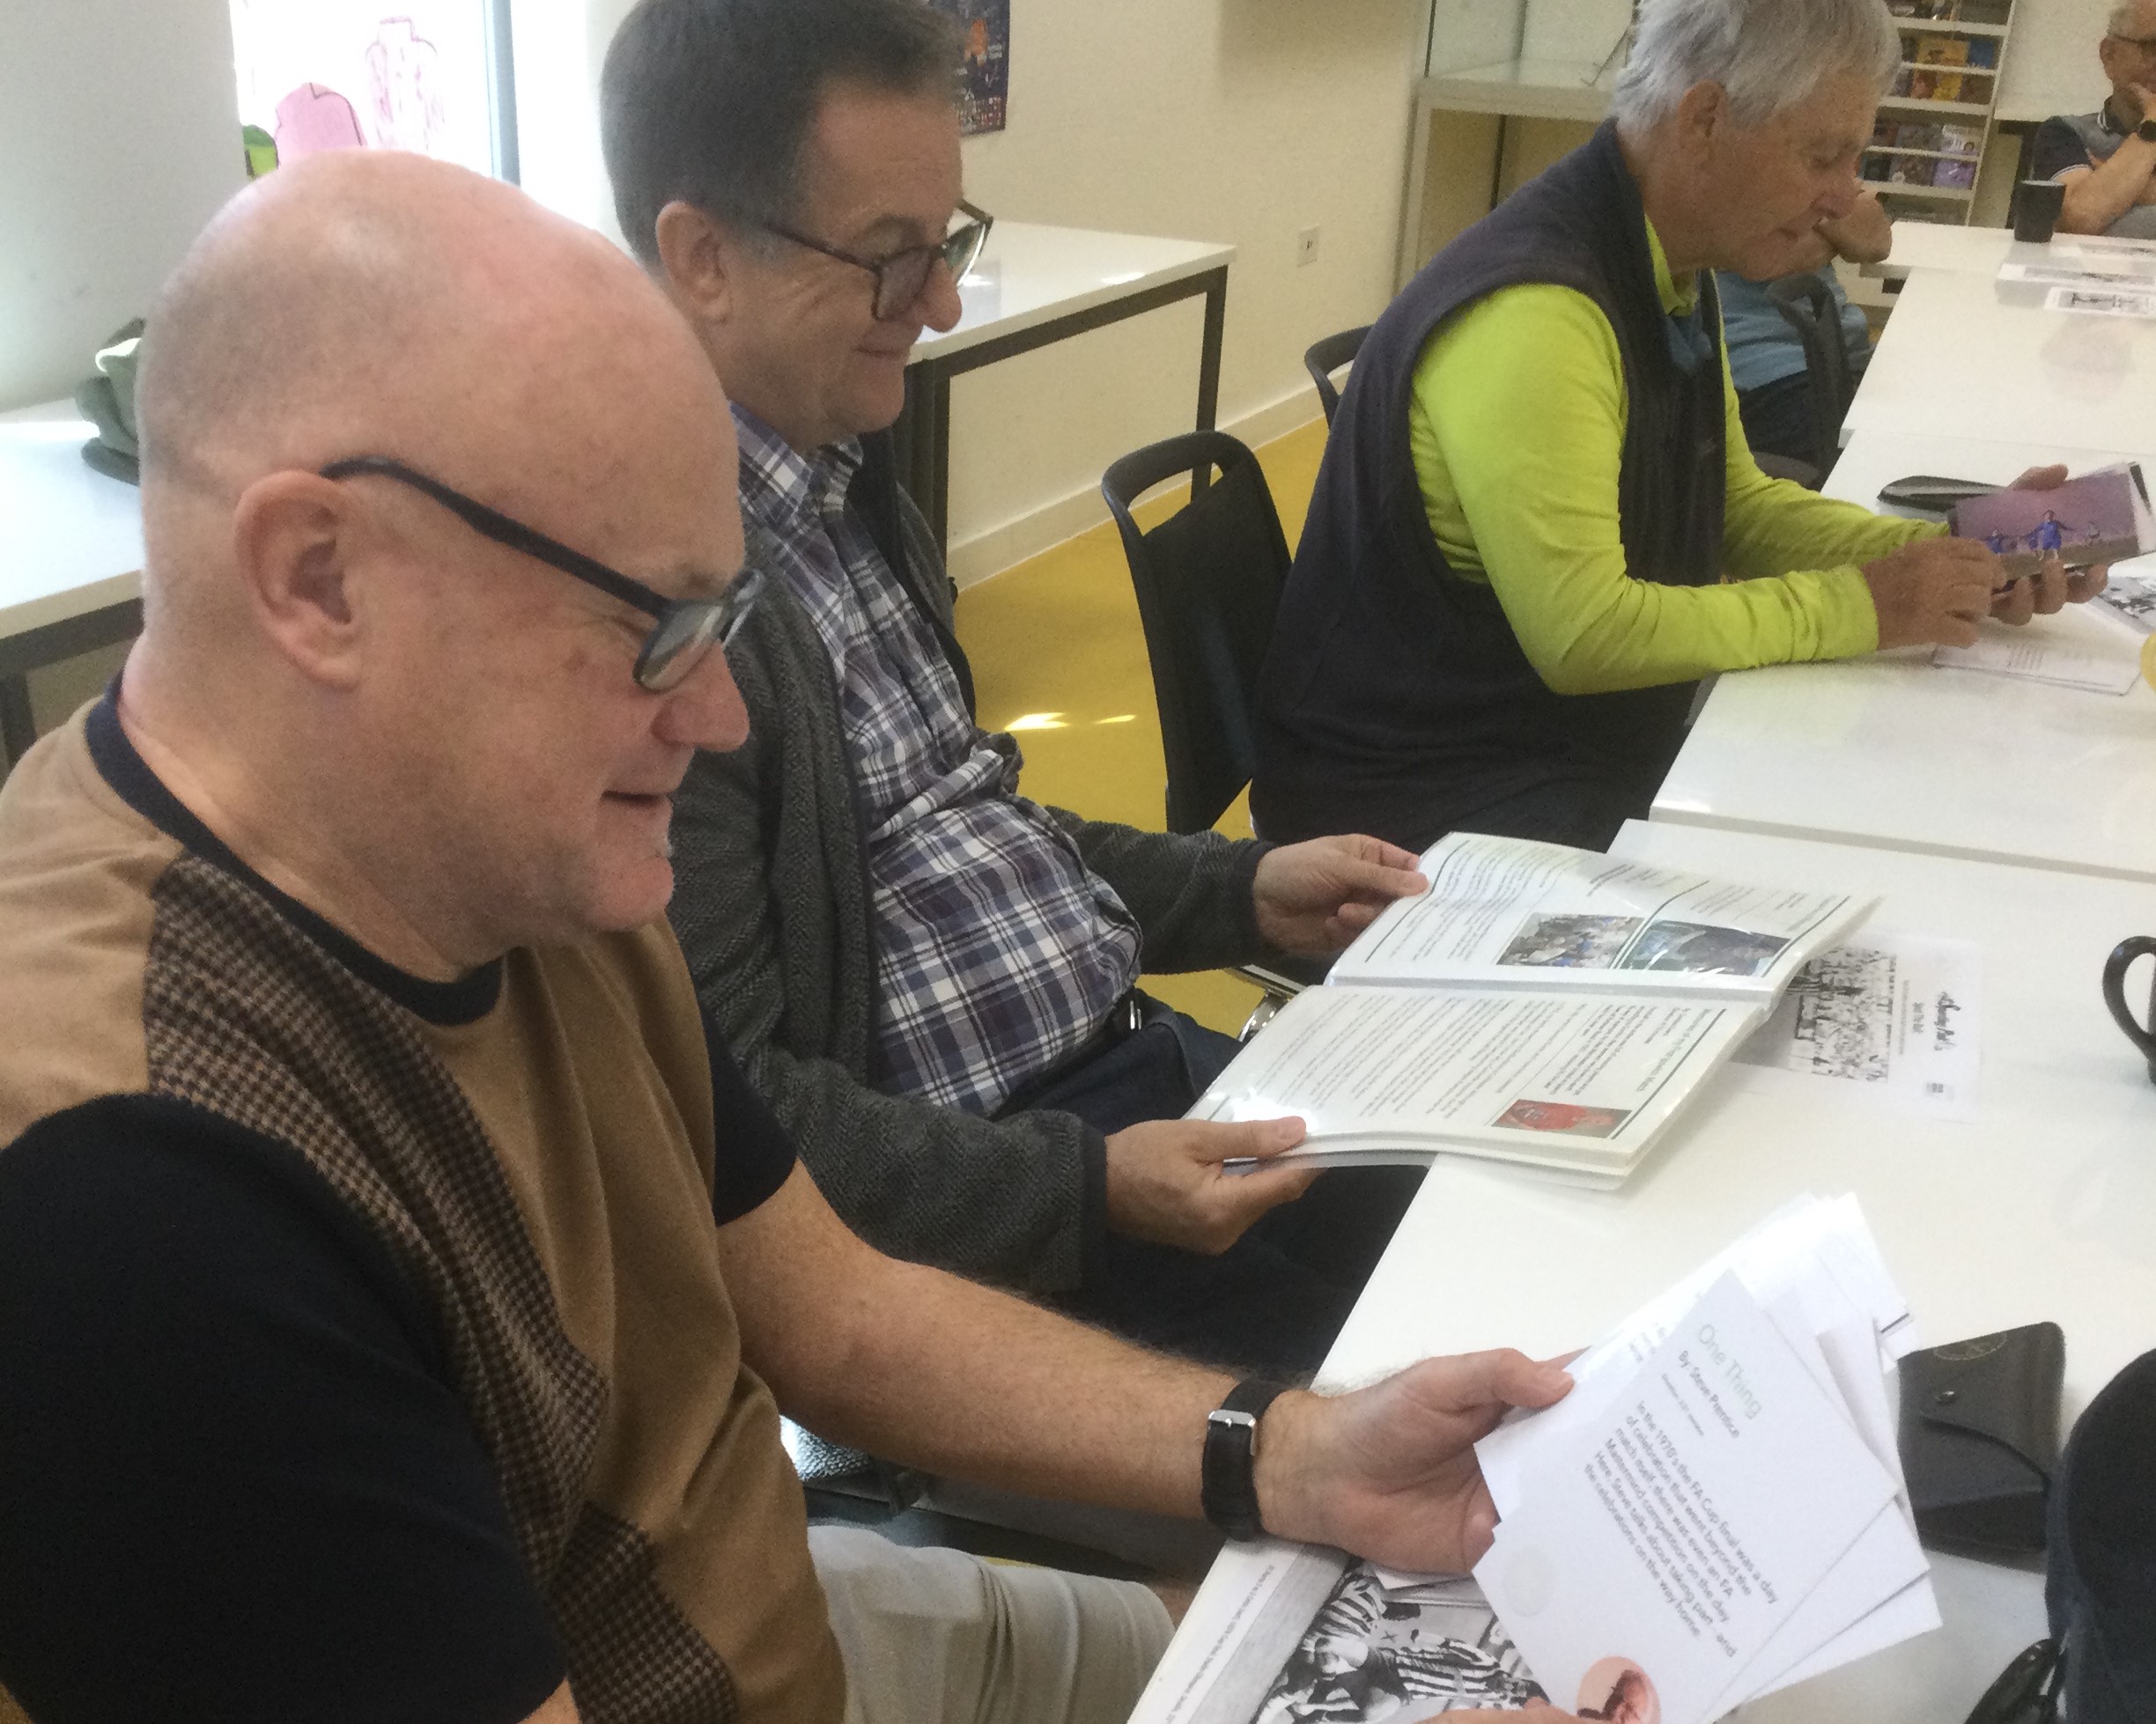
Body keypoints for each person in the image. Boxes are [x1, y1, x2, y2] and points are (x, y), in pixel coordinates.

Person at [0, 150, 1587, 1724]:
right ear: (319, 576)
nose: (718, 714)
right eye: (656, 631)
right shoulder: (132, 1204)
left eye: (730, 620)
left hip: (798, 1604)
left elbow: (836, 1311)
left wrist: (1297, 1447)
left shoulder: (497, 848)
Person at [599, 0, 1431, 1380]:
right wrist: (1087, 1191)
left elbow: (977, 821)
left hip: (1139, 1086)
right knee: (1466, 1430)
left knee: (1518, 1219)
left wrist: (1241, 889)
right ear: (701, 258)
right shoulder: (657, 619)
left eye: (948, 244)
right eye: (887, 259)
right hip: (1014, 1229)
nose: (935, 305)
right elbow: (735, 1113)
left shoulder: (847, 486)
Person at [1252, 0, 2105, 857]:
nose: (1844, 197)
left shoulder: (1669, 264)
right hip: (1405, 813)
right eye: (1822, 156)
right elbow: (1587, 635)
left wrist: (1953, 557)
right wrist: (1868, 606)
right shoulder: (1538, 312)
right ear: (1704, 119)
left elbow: (1740, 508)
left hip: (1545, 755)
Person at [1713, 188, 1888, 470]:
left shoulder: (1808, 162)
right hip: (1768, 374)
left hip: (1844, 355)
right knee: (1894, 463)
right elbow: (1766, 259)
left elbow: (1876, 236)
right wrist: (1831, 227)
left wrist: (1799, 209)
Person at [2034, 0, 2156, 240]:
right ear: (2109, 55)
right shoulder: (2066, 133)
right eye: (2153, 47)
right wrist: (2152, 125)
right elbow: (2079, 219)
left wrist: (2120, 186)